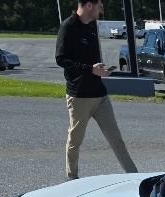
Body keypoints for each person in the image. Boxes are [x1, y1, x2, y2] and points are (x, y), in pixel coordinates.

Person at [55, 0, 138, 180]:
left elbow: (93, 63)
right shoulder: (68, 27)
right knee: (75, 141)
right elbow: (61, 59)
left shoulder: (92, 27)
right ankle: (72, 179)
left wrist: (101, 69)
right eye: (99, 6)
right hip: (79, 96)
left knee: (116, 140)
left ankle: (134, 177)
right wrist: (89, 69)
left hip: (100, 95)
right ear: (89, 6)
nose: (101, 10)